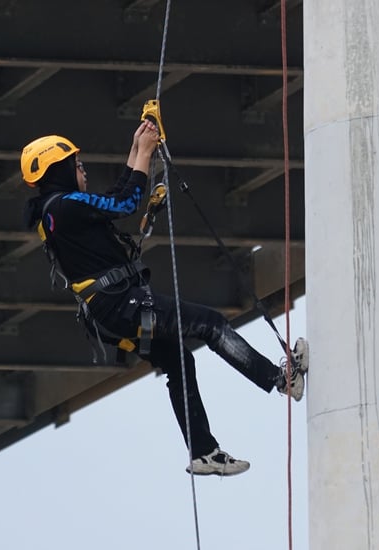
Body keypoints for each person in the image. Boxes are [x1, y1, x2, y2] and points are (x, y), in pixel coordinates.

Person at [21, 121, 308, 476]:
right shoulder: (65, 206)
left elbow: (111, 198)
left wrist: (137, 147)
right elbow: (124, 202)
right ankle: (283, 380)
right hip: (120, 304)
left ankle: (205, 452)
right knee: (211, 324)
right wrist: (143, 152)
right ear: (58, 170)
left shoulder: (56, 210)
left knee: (179, 361)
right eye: (76, 165)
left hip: (110, 312)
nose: (83, 170)